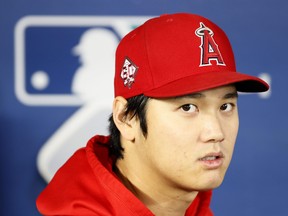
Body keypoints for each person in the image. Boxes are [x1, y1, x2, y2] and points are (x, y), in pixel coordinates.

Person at [36, 13, 269, 216]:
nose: (216, 132)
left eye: (226, 106)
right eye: (188, 107)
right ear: (126, 118)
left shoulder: (192, 206)